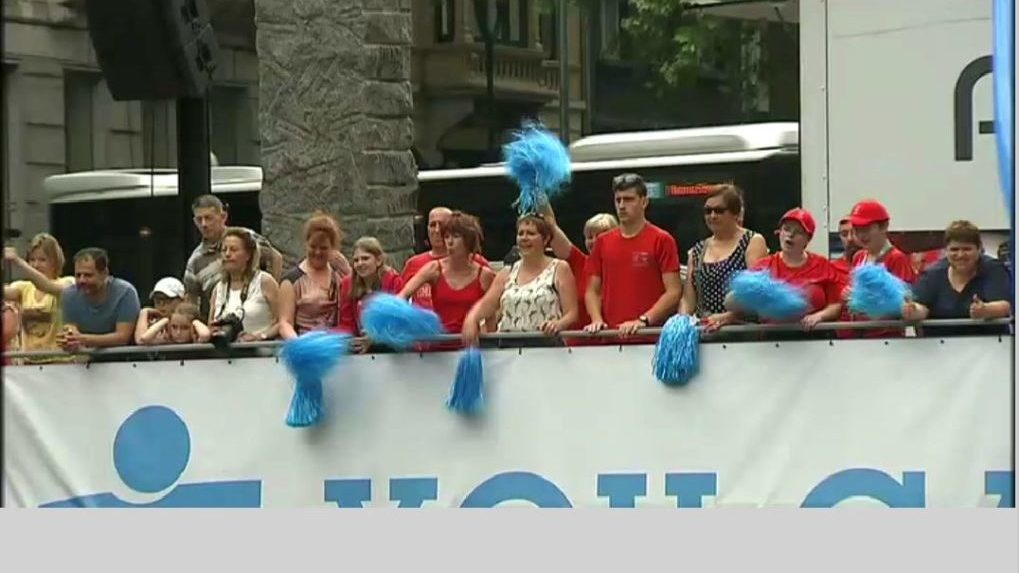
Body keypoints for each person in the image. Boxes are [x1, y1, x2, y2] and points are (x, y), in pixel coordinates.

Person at [583, 173, 682, 341]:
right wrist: (596, 320)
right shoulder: (602, 242)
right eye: (618, 200)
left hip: (650, 339)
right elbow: (591, 290)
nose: (622, 205)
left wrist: (643, 320)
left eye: (628, 199)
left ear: (644, 202)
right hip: (611, 339)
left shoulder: (662, 239)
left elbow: (674, 291)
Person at [461, 214, 578, 347]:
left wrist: (558, 324)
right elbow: (487, 304)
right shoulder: (506, 273)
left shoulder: (559, 268)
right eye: (521, 233)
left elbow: (572, 313)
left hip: (546, 345)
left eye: (531, 233)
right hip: (508, 347)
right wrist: (472, 318)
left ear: (545, 240)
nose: (524, 238)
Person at [726, 209, 845, 339]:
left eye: (798, 232)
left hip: (815, 337)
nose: (790, 235)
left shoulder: (822, 265)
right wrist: (740, 296)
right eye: (786, 229)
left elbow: (835, 305)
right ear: (779, 233)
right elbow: (732, 303)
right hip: (773, 340)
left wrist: (819, 316)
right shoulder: (763, 267)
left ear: (808, 239)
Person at [398, 211, 496, 348]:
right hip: (437, 350)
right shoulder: (434, 268)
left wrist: (489, 342)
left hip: (470, 349)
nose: (449, 242)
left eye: (455, 236)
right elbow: (402, 296)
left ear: (468, 239)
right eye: (446, 236)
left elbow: (492, 314)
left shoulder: (484, 274)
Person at [679, 185, 768, 331]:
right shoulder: (697, 250)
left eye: (719, 211)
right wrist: (681, 322)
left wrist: (728, 317)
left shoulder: (753, 241)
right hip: (706, 332)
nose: (712, 216)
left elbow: (758, 291)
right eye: (708, 211)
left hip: (742, 332)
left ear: (735, 213)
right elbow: (688, 300)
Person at [902, 220, 1012, 337]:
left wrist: (986, 310)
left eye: (966, 249)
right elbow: (921, 307)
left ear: (979, 249)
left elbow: (1005, 305)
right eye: (954, 249)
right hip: (938, 347)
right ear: (946, 250)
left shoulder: (994, 269)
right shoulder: (932, 274)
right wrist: (913, 311)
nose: (960, 255)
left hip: (989, 346)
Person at [184, 195, 286, 320]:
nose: (204, 224)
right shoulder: (195, 261)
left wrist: (271, 292)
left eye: (208, 218)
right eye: (199, 220)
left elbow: (276, 258)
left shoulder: (245, 237)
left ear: (223, 217)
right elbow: (191, 300)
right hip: (220, 320)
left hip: (256, 315)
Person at [843, 199, 917, 338]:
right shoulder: (858, 257)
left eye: (866, 229)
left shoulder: (896, 258)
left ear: (884, 227)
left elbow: (905, 303)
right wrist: (849, 295)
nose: (861, 235)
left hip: (887, 336)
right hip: (860, 334)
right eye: (857, 230)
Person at [540, 202, 618, 331]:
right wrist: (536, 190)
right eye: (589, 237)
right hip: (576, 346)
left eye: (599, 236)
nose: (593, 241)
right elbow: (550, 225)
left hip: (622, 345)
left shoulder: (626, 267)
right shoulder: (579, 262)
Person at [3, 234, 75, 360]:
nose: (36, 265)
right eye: (32, 260)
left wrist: (18, 262)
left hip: (60, 364)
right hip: (29, 366)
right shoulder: (23, 287)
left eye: (42, 260)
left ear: (55, 261)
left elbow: (47, 286)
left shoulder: (67, 282)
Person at [401, 206, 489, 309]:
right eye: (433, 225)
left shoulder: (480, 266)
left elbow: (495, 306)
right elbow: (400, 296)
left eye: (441, 225)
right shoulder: (420, 265)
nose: (437, 230)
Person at [278, 213, 348, 340]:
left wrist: (348, 271)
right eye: (313, 247)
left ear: (333, 248)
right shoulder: (291, 280)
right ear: (306, 244)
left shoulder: (340, 274)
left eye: (324, 248)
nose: (317, 252)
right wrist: (299, 344)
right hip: (305, 343)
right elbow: (285, 323)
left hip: (338, 346)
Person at [58, 248, 141, 352]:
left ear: (105, 273)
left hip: (125, 359)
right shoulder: (69, 295)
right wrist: (68, 340)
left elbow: (122, 337)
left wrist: (81, 339)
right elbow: (70, 330)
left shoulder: (125, 293)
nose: (82, 280)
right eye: (78, 275)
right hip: (86, 360)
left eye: (88, 275)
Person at [208, 228, 280, 343]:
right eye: (224, 250)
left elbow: (282, 322)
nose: (227, 254)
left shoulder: (264, 281)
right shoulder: (218, 288)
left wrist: (260, 336)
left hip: (261, 353)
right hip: (226, 356)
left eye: (234, 250)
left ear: (248, 255)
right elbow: (211, 326)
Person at [337, 236, 405, 353]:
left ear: (378, 260)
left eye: (365, 258)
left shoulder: (394, 281)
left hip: (389, 346)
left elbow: (399, 321)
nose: (360, 263)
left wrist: (375, 338)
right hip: (359, 346)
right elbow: (346, 323)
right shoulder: (347, 284)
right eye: (356, 260)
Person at [134, 277, 187, 345]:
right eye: (157, 300)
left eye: (168, 300)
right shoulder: (150, 321)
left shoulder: (188, 319)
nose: (162, 304)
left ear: (181, 300)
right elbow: (140, 340)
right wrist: (143, 312)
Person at [137, 301, 210, 345]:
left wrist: (195, 321)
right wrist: (165, 320)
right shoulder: (165, 340)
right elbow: (144, 339)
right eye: (174, 327)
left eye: (185, 328)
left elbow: (205, 335)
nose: (178, 333)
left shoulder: (197, 340)